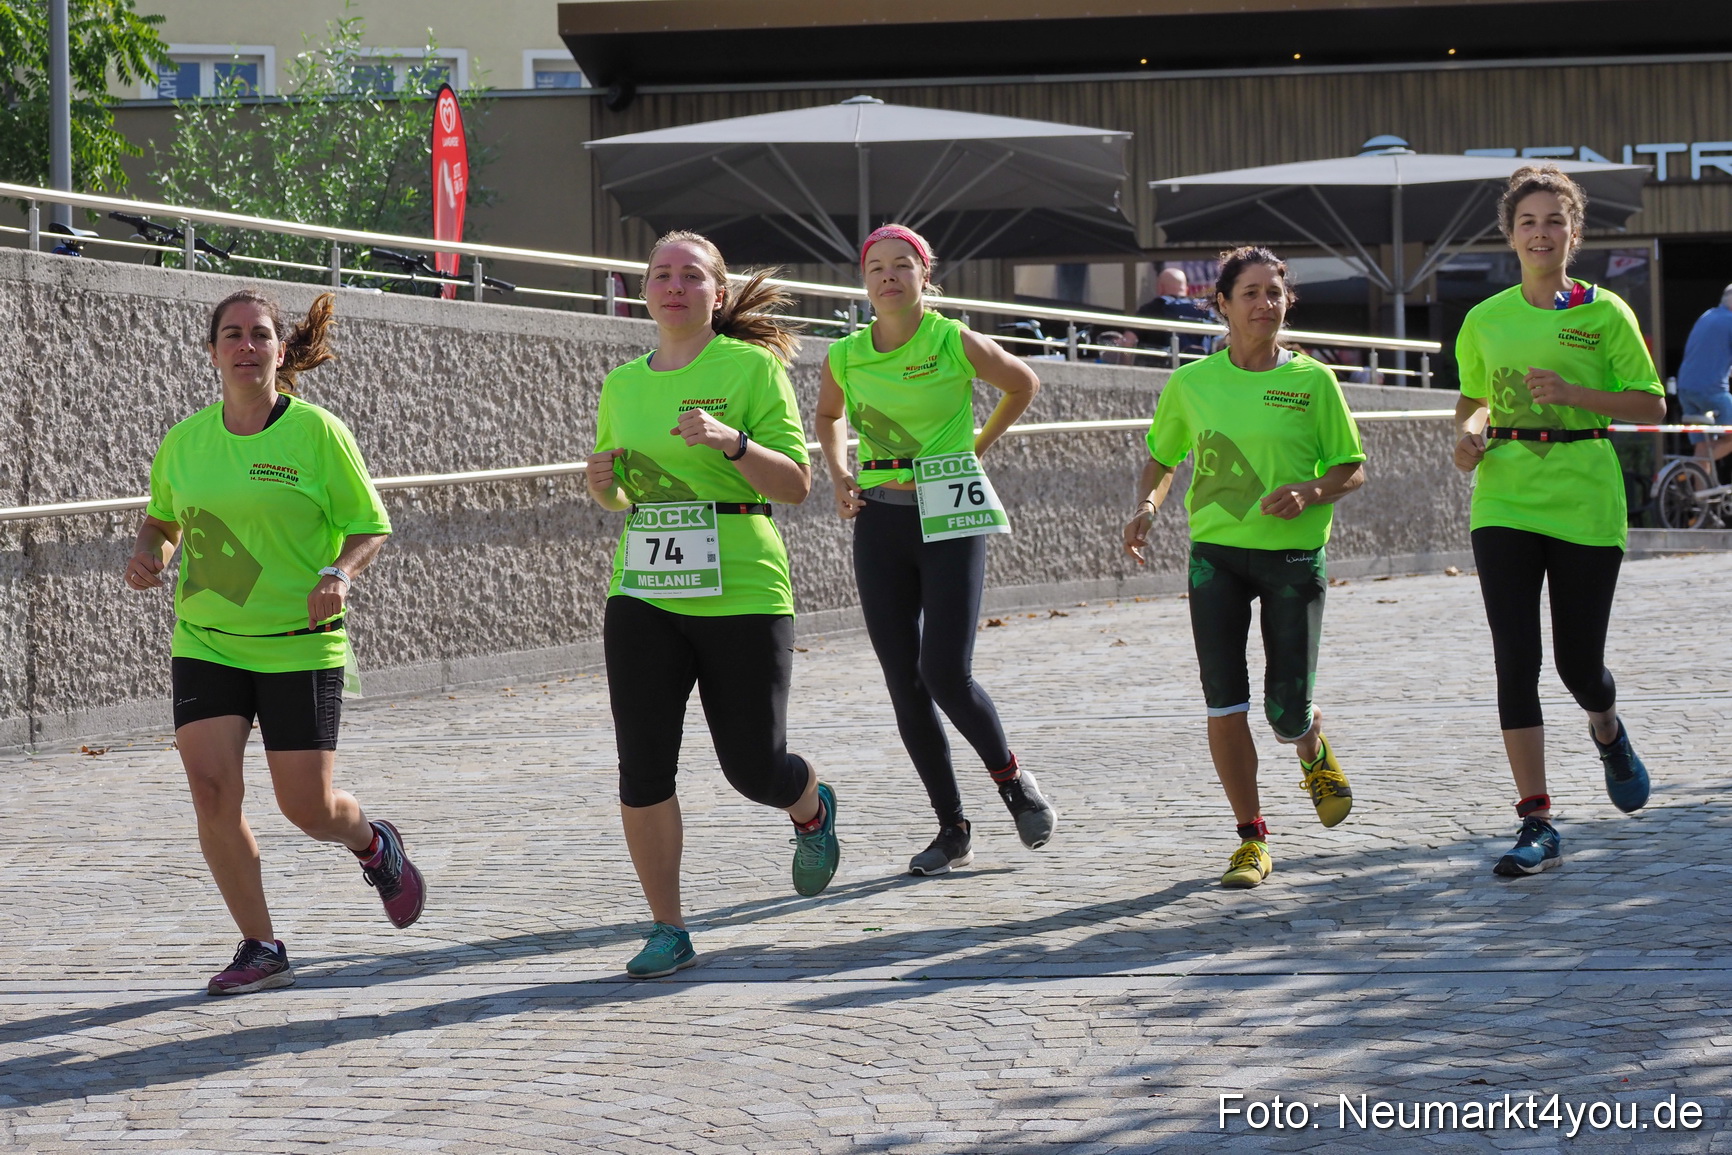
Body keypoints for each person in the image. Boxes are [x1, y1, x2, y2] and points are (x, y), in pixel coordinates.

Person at [123, 289, 421, 996]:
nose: (246, 346)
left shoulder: (317, 433)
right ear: (212, 350)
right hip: (208, 638)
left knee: (307, 808)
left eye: (260, 335)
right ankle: (261, 945)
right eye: (232, 334)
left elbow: (369, 524)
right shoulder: (186, 440)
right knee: (211, 788)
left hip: (298, 640)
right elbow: (162, 521)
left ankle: (373, 844)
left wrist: (338, 573)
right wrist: (150, 556)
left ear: (280, 351)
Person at [585, 231, 838, 978]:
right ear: (644, 291)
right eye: (660, 274)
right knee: (643, 766)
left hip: (741, 584)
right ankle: (668, 926)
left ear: (716, 295)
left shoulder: (751, 367)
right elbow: (623, 495)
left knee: (753, 766)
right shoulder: (623, 383)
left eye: (690, 275)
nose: (673, 286)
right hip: (644, 589)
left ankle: (810, 805)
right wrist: (603, 486)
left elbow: (795, 483)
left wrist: (734, 444)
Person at [814, 224, 1056, 877]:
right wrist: (838, 473)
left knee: (946, 669)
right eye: (876, 269)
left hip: (950, 511)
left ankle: (1011, 780)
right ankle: (952, 827)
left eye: (902, 266)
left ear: (926, 276)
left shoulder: (950, 339)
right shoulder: (845, 354)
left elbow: (1023, 382)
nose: (888, 277)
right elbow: (828, 416)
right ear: (864, 283)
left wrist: (976, 447)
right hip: (879, 520)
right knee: (905, 681)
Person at [1122, 246, 1365, 889]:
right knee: (1225, 703)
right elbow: (1162, 455)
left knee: (1285, 711)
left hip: (1292, 557)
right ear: (1223, 305)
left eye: (1274, 293)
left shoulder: (1314, 381)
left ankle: (1310, 744)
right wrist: (1147, 504)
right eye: (1250, 293)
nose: (1265, 304)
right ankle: (1251, 837)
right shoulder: (1191, 384)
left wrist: (1311, 492)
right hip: (1216, 558)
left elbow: (1351, 468)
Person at [1452, 165, 1666, 877]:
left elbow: (1651, 405)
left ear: (1574, 231)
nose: (1541, 232)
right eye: (1528, 222)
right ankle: (1536, 819)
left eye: (1554, 220)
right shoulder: (1485, 319)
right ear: (1510, 235)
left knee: (1579, 667)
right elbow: (1474, 399)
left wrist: (1577, 391)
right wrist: (1471, 431)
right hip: (1506, 494)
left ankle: (1607, 728)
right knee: (1516, 657)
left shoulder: (1605, 313)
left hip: (1584, 494)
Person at [1674, 284, 1732, 462]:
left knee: (1702, 444)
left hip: (1684, 390)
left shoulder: (1707, 316)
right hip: (1710, 391)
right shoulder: (1730, 321)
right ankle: (1699, 463)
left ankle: (1697, 486)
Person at [1138, 265, 1214, 361]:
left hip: (1163, 368)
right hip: (1202, 367)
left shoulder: (1151, 309)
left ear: (1160, 287)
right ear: (1186, 289)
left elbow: (1129, 341)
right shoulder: (1202, 308)